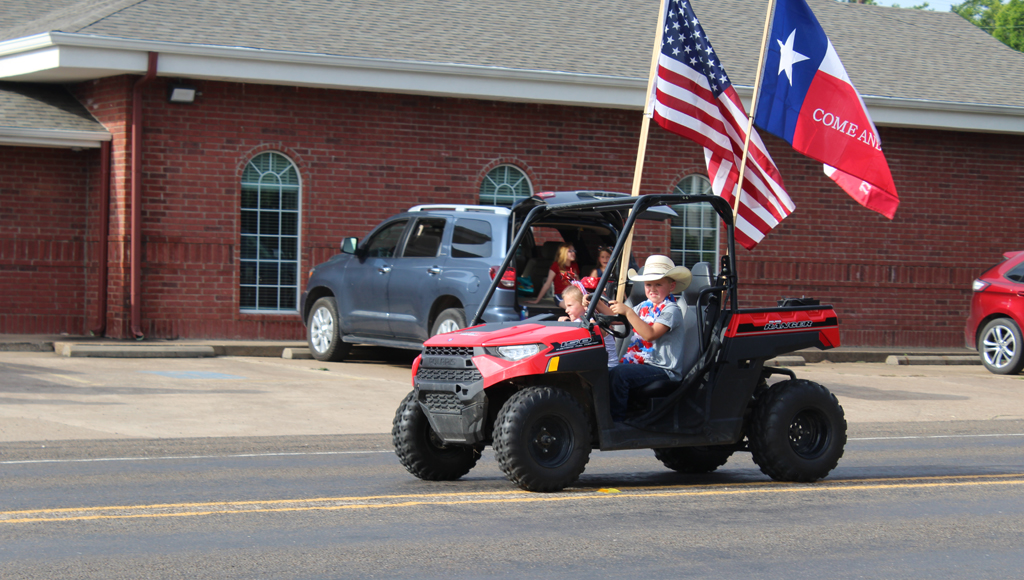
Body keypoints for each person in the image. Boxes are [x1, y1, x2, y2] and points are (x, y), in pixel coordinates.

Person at [601, 255, 691, 422]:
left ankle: (615, 422)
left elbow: (650, 334)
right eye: (648, 284)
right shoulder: (644, 306)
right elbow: (616, 319)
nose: (652, 289)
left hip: (663, 369)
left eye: (658, 284)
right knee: (603, 370)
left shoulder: (672, 310)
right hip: (643, 365)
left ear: (671, 286)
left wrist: (628, 312)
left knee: (619, 374)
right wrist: (597, 303)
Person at [558, 281, 618, 368]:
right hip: (592, 366)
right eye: (566, 306)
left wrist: (567, 327)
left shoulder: (595, 321)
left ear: (584, 305)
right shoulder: (577, 321)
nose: (566, 310)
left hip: (608, 368)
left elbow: (589, 332)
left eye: (570, 306)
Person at [526, 242, 579, 307]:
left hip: (573, 295)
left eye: (574, 251)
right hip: (561, 295)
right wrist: (537, 300)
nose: (573, 253)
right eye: (570, 251)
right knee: (571, 307)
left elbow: (578, 284)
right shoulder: (556, 266)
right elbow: (547, 284)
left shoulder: (574, 266)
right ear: (563, 253)